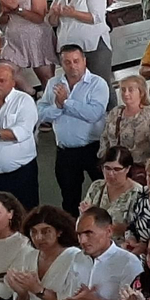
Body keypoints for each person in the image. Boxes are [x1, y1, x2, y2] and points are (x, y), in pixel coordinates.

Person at [36, 44, 109, 209]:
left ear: (84, 61)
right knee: (69, 199)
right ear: (62, 64)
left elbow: (94, 114)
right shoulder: (54, 83)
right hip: (65, 152)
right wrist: (58, 107)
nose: (72, 66)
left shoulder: (98, 84)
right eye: (67, 62)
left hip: (94, 149)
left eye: (76, 61)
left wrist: (66, 102)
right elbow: (41, 113)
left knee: (105, 195)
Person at [50, 0, 115, 85]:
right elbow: (52, 22)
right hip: (70, 51)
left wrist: (74, 13)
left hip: (93, 47)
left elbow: (97, 18)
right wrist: (55, 14)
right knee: (77, 84)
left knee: (101, 83)